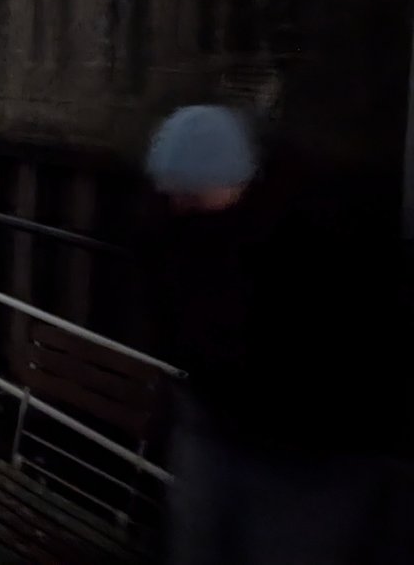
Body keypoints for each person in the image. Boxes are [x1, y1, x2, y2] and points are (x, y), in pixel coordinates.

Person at [137, 105, 400, 565]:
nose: (180, 200)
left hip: (307, 455)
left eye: (192, 192)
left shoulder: (319, 236)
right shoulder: (183, 225)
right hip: (216, 422)